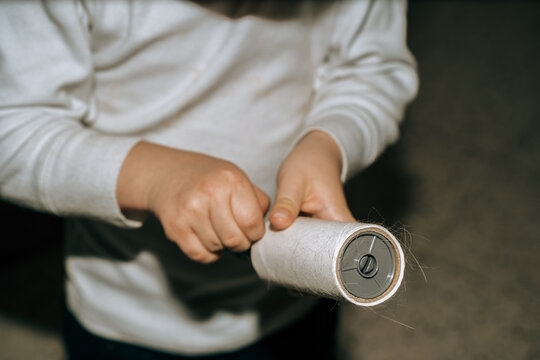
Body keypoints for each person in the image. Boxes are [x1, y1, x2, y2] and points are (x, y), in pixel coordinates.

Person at [0, 0, 418, 359]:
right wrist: (150, 177)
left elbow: (373, 70)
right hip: (127, 320)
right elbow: (13, 126)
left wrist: (330, 142)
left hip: (290, 301)